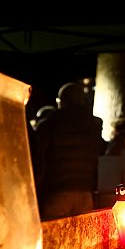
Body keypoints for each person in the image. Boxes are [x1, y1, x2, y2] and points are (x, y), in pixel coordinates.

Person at [35, 82, 106, 220]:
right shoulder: (93, 124)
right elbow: (101, 152)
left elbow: (37, 154)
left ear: (62, 101)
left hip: (57, 192)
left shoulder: (51, 123)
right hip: (85, 191)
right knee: (83, 236)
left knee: (55, 236)